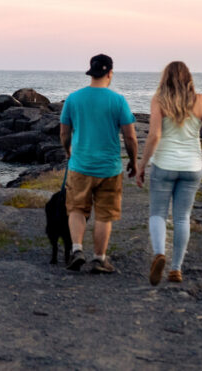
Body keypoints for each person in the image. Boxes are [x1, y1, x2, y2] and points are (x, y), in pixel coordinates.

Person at [136, 61, 202, 285]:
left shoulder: (159, 100)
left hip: (164, 165)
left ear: (165, 78)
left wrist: (142, 164)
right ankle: (176, 269)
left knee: (158, 213)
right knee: (182, 217)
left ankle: (159, 253)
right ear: (189, 78)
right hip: (192, 167)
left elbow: (154, 136)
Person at [59, 54, 138, 273]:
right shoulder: (118, 101)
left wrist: (68, 151)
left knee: (76, 209)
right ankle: (99, 258)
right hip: (109, 168)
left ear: (91, 72)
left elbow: (64, 132)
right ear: (110, 73)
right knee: (104, 214)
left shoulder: (73, 99)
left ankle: (76, 250)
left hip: (80, 165)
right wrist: (133, 161)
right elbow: (130, 136)